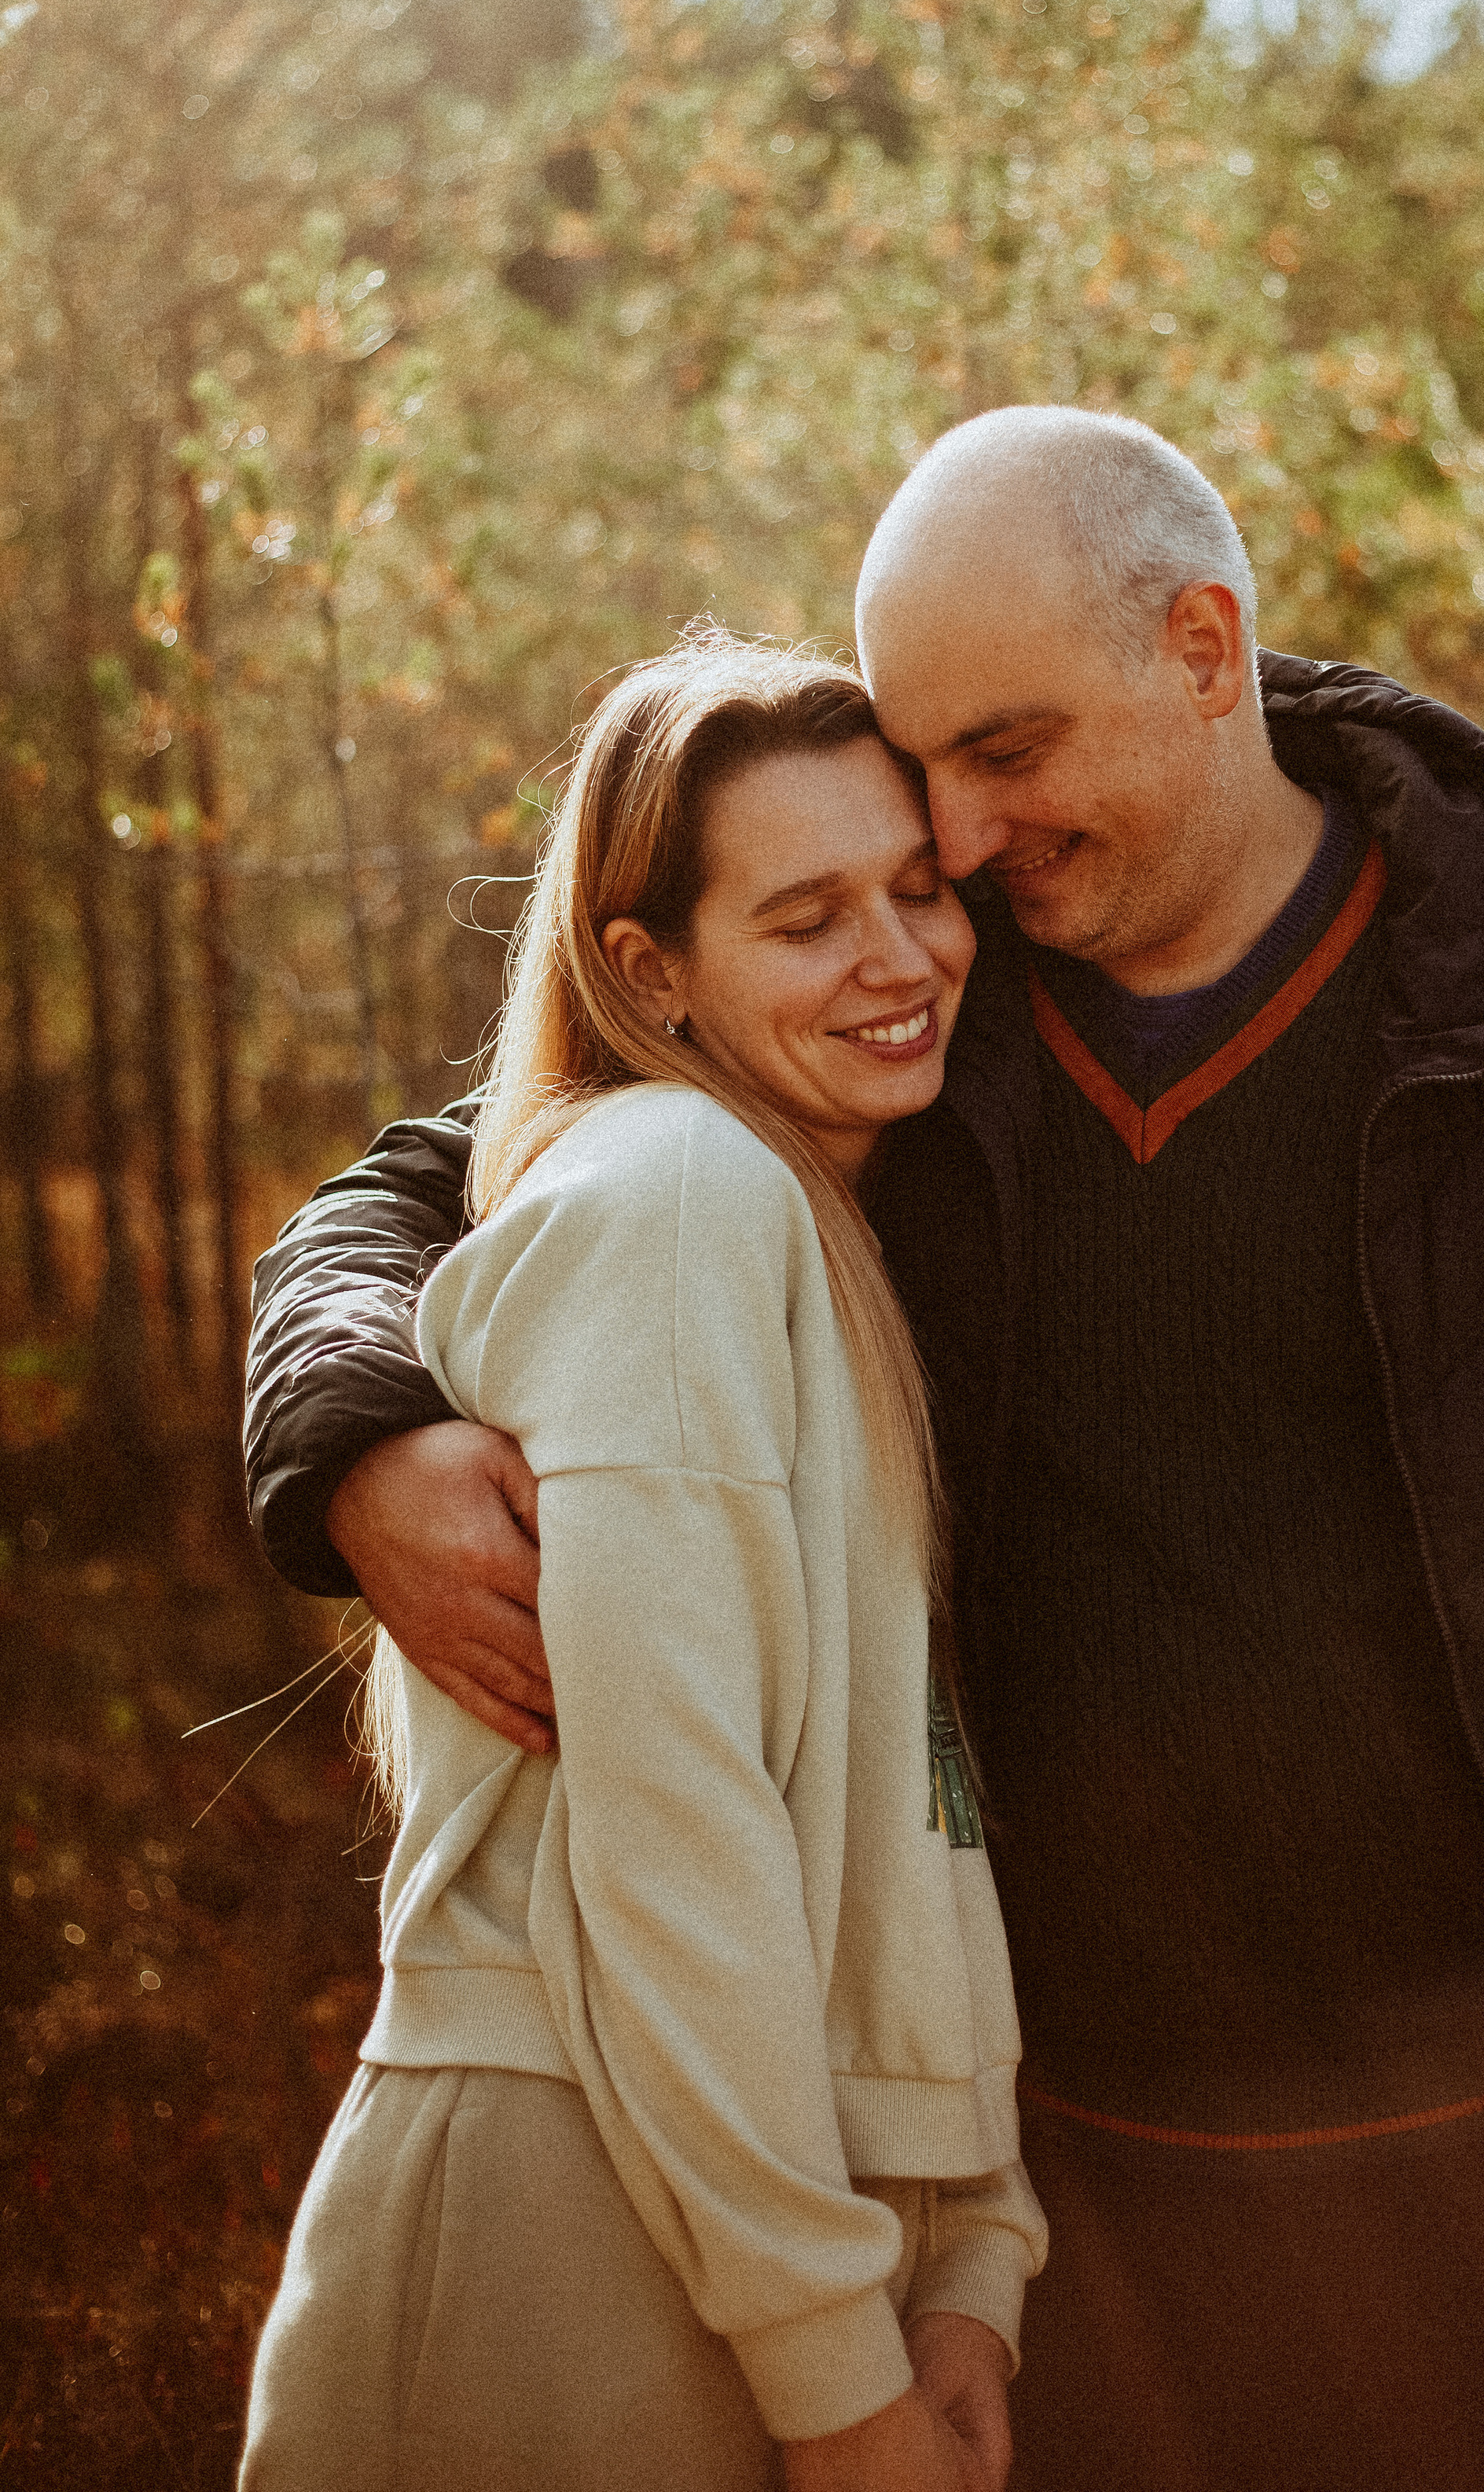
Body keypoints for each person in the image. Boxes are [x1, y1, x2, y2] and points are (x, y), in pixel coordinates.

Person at [244, 409, 1484, 2491]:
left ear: (1203, 646)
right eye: (926, 780)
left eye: (1007, 755)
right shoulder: (917, 1017)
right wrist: (350, 1428)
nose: (961, 848)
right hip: (1079, 2214)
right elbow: (471, 1162)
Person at [239, 637, 1045, 2492]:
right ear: (643, 969)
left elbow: (901, 1807)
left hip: (749, 2210)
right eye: (805, 917)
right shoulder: (676, 1191)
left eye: (918, 891)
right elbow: (677, 1845)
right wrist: (837, 2374)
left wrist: (970, 2257)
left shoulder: (819, 1217)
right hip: (564, 2230)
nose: (898, 959)